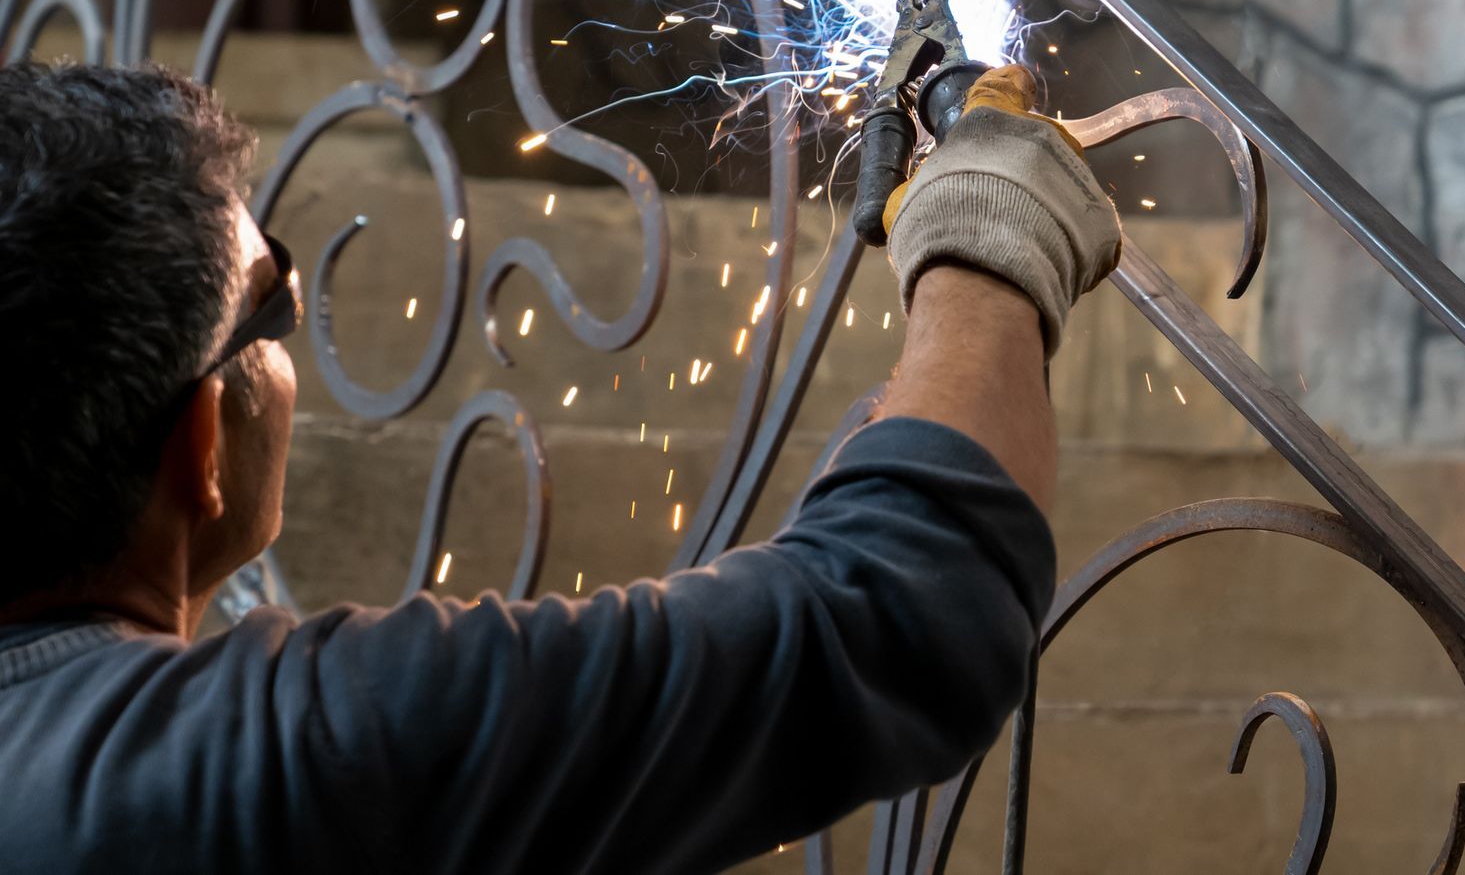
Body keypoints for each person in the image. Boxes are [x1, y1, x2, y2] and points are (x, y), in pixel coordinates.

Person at [0, 60, 1121, 874]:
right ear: (200, 443)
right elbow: (891, 614)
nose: (293, 329)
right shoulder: (270, 756)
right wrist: (989, 229)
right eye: (272, 305)